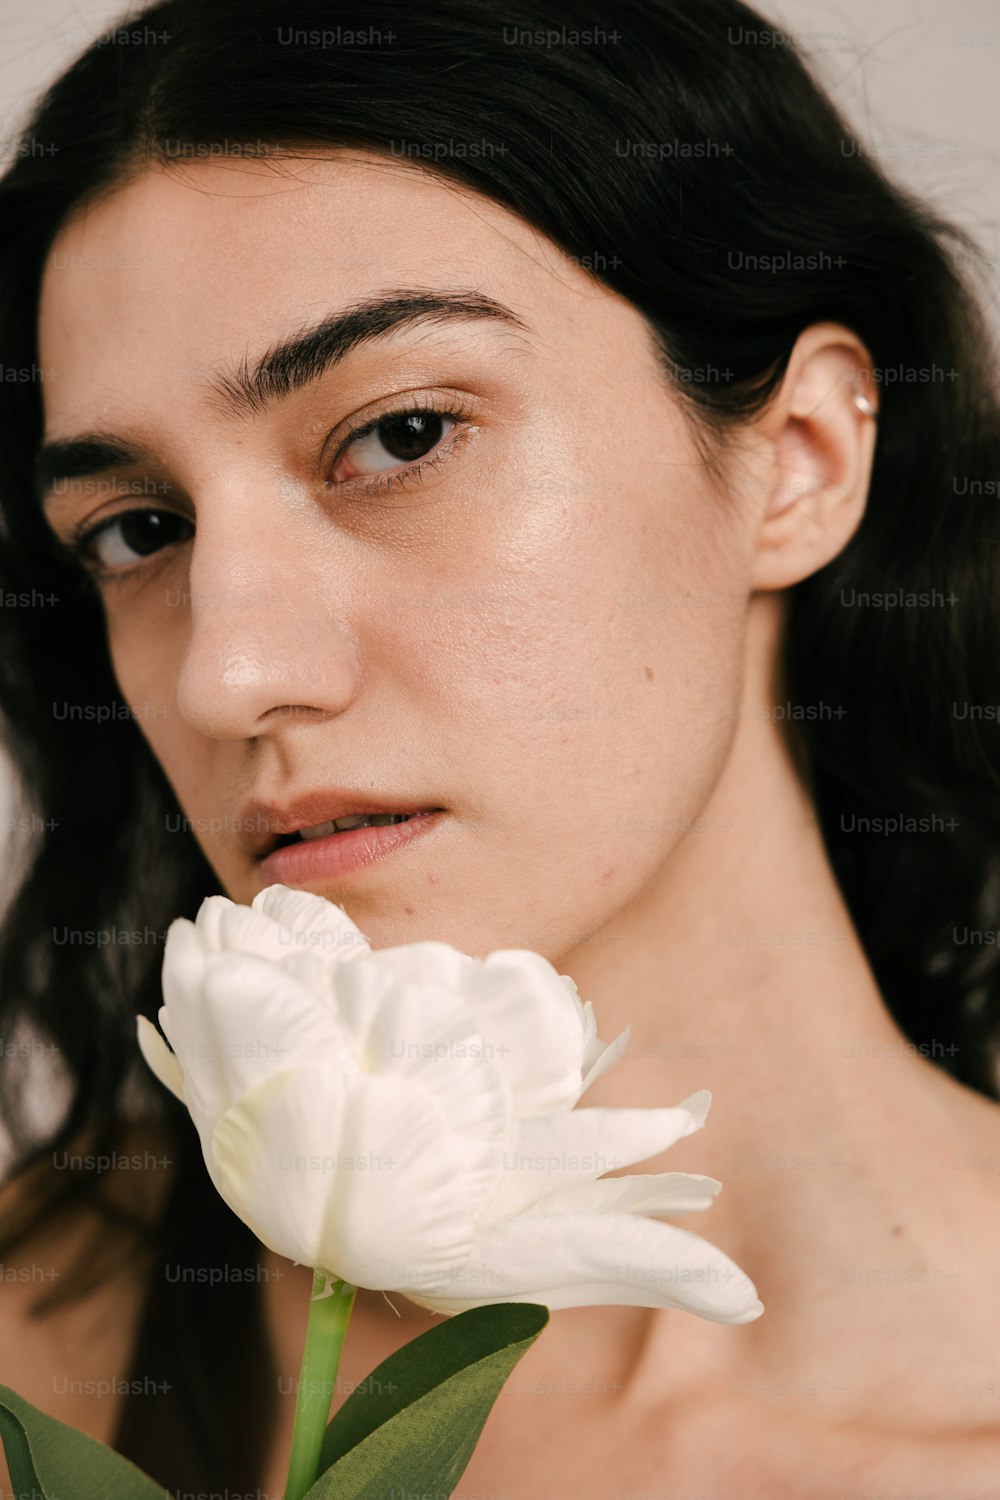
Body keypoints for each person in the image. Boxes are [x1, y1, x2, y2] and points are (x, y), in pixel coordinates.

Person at [1, 1, 999, 1495]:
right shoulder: (38, 1360)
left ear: (799, 461)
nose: (227, 673)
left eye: (399, 436)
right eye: (139, 530)